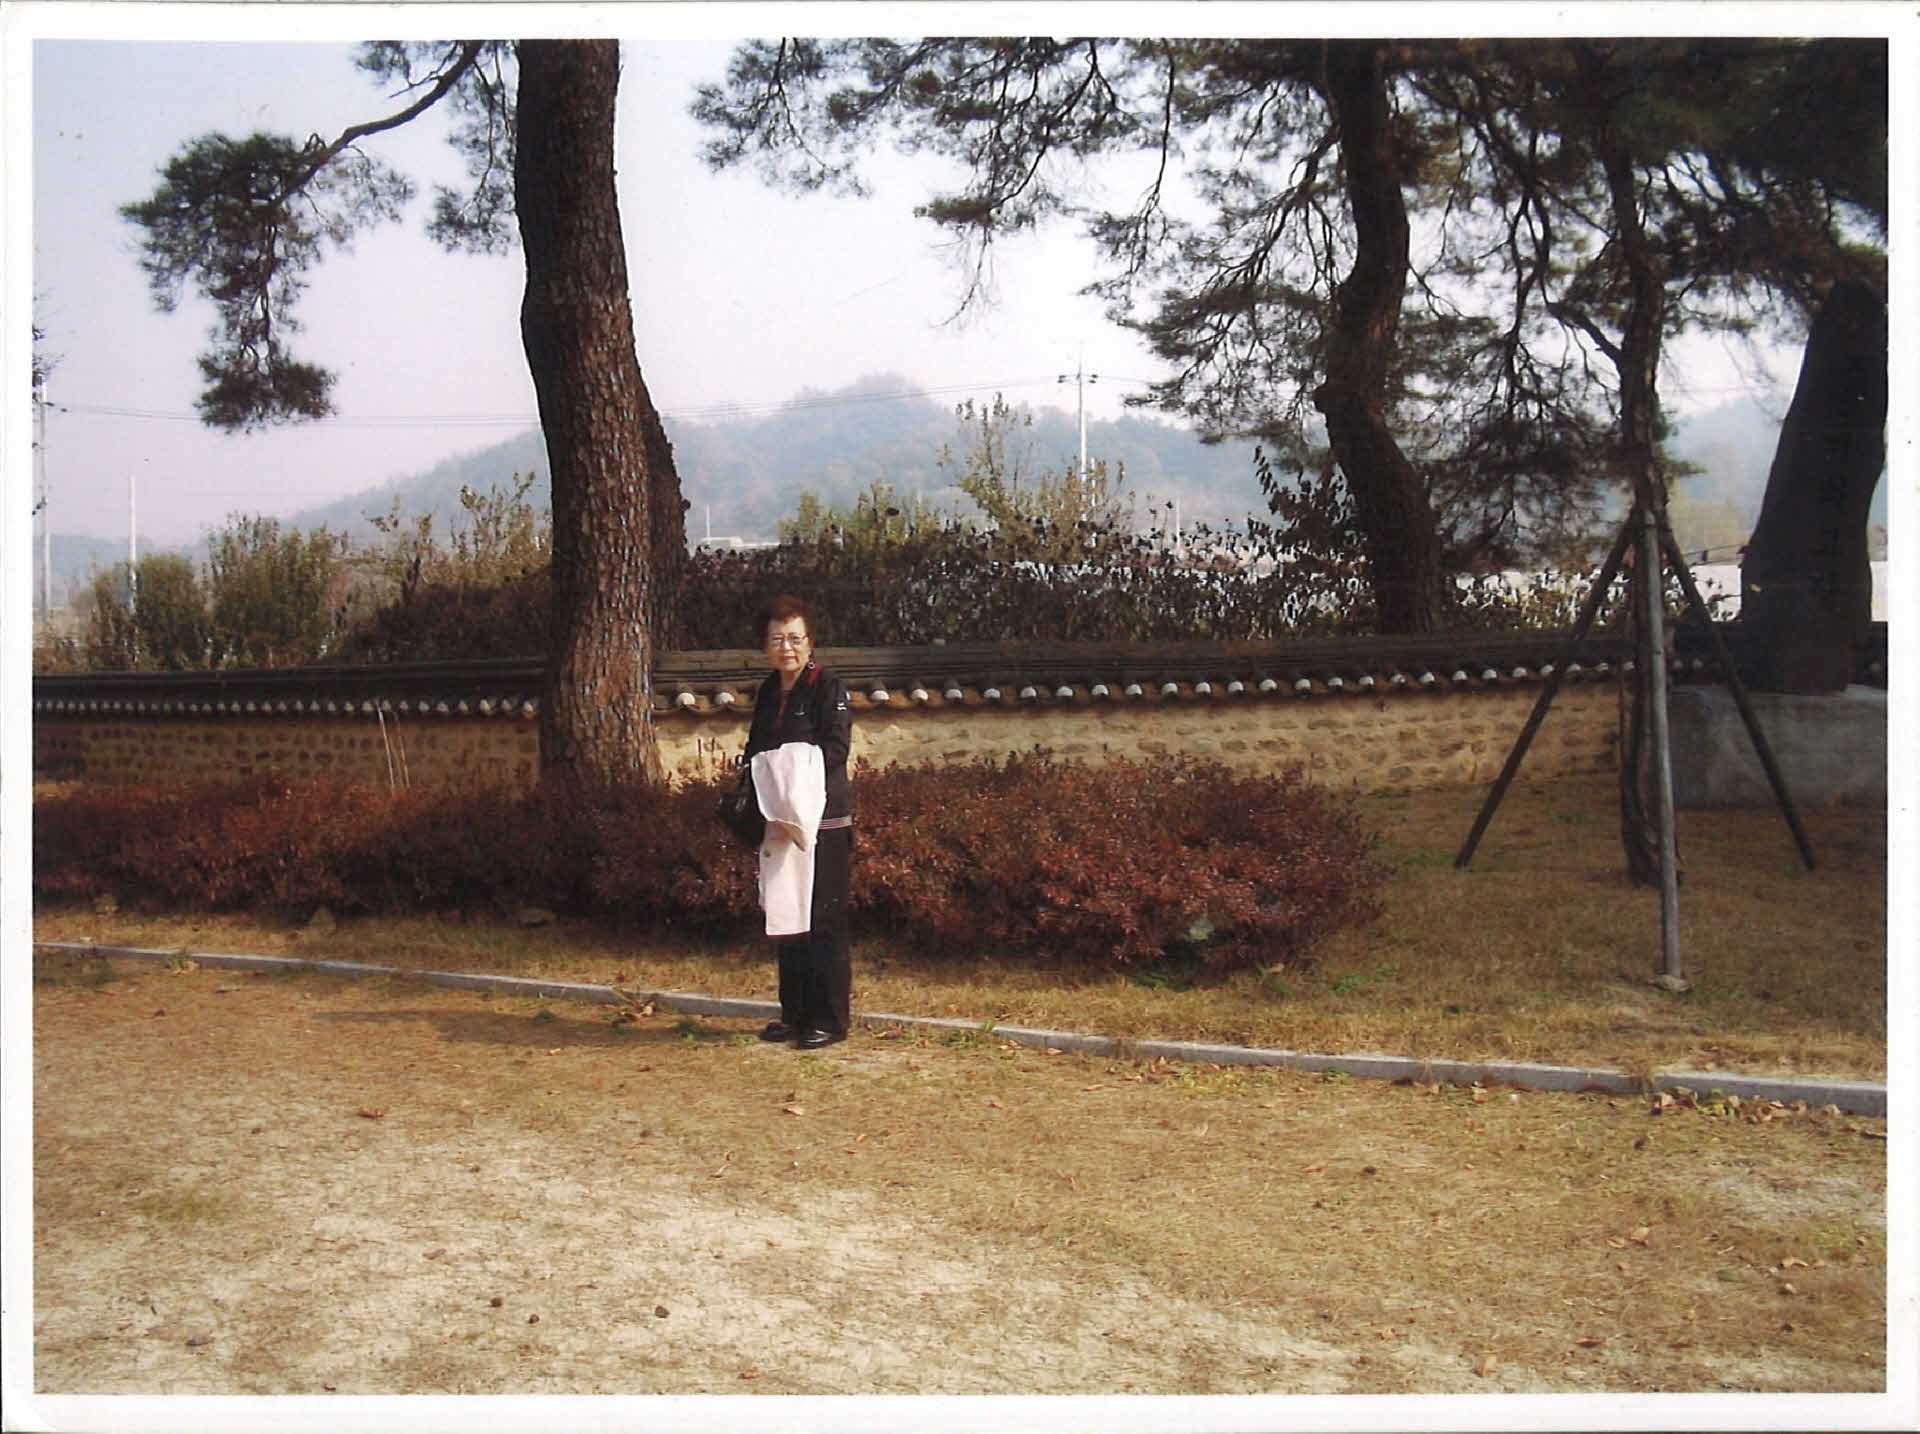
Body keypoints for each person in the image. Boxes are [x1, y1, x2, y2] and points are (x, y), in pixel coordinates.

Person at [744, 594, 853, 1049]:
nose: (786, 648)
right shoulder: (769, 691)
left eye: (794, 638)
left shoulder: (828, 688)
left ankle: (829, 1019)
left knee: (823, 919)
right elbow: (755, 748)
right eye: (777, 639)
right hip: (778, 819)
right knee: (787, 914)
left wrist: (788, 774)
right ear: (765, 645)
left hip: (822, 819)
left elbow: (835, 750)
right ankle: (795, 1014)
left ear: (810, 642)